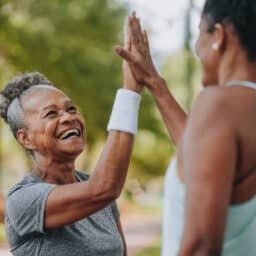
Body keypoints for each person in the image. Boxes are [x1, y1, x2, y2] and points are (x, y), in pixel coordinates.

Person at [116, 1, 256, 255]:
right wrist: (154, 82)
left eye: (200, 33)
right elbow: (204, 162)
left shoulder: (218, 104)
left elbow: (202, 244)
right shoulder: (240, 113)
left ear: (220, 36)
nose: (196, 48)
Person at [0, 18, 143, 255]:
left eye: (71, 109)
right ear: (25, 138)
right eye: (51, 114)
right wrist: (130, 92)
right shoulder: (23, 201)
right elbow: (105, 187)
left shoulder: (97, 190)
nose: (68, 117)